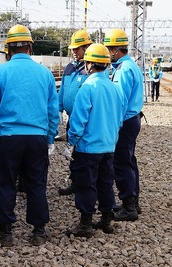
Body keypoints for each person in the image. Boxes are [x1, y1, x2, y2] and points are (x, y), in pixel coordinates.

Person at [0, 24, 59, 247]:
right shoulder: (44, 73)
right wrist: (51, 137)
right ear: (30, 47)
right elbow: (52, 110)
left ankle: (5, 232)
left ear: (8, 49)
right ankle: (38, 231)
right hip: (37, 138)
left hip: (8, 138)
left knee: (5, 183)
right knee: (36, 183)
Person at [63, 44, 124, 237]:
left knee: (86, 184)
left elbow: (78, 121)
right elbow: (120, 119)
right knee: (106, 183)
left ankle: (85, 224)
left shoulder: (87, 87)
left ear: (89, 64)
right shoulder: (115, 89)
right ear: (106, 65)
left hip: (88, 148)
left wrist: (71, 141)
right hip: (108, 146)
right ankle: (106, 221)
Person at [104, 28, 144, 221]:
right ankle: (133, 201)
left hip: (126, 121)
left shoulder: (124, 69)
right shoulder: (131, 66)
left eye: (109, 48)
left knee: (121, 162)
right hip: (133, 118)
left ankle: (129, 206)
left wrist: (114, 124)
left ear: (116, 50)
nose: (108, 53)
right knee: (129, 160)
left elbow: (121, 100)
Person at [57, 29, 93, 196]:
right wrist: (59, 108)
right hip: (72, 118)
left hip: (87, 119)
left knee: (83, 152)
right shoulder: (70, 67)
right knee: (72, 151)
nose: (74, 52)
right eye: (73, 49)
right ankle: (75, 181)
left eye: (77, 48)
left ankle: (86, 184)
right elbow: (63, 88)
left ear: (86, 47)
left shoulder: (93, 68)